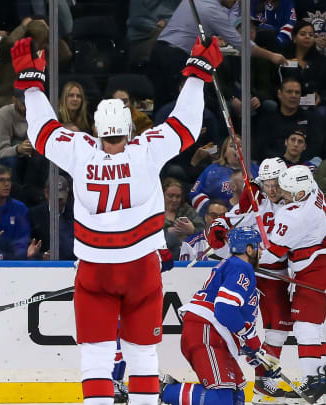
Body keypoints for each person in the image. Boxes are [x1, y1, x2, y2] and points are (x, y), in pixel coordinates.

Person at [12, 33, 222, 403]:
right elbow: (186, 125)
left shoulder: (80, 151)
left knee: (96, 356)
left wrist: (31, 86)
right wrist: (197, 73)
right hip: (140, 268)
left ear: (95, 128)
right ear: (130, 128)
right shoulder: (146, 149)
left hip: (95, 269)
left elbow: (42, 132)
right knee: (142, 354)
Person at [257, 165, 326, 404]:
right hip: (323, 266)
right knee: (313, 329)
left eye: (286, 191)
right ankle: (322, 386)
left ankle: (311, 381)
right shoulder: (311, 186)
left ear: (298, 194)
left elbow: (272, 254)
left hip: (315, 270)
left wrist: (245, 255)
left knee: (304, 327)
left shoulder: (294, 216)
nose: (281, 193)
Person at [207, 157, 291, 403]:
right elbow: (229, 219)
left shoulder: (296, 201)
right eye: (266, 183)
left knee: (279, 330)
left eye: (275, 182)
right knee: (242, 326)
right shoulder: (255, 199)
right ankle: (234, 378)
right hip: (256, 274)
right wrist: (218, 227)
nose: (271, 189)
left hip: (282, 274)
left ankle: (264, 384)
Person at [160, 227, 274, 405]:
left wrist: (260, 361)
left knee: (236, 398)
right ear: (250, 249)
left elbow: (238, 325)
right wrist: (250, 339)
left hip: (214, 334)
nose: (261, 251)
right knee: (220, 400)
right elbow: (225, 310)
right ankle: (163, 391)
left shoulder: (233, 267)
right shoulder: (241, 267)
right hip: (207, 331)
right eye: (258, 246)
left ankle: (169, 390)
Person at [152, 0, 285, 108]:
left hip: (159, 50)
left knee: (162, 104)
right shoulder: (213, 10)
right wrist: (272, 56)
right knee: (175, 106)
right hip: (175, 57)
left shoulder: (195, 2)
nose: (236, 3)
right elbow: (242, 43)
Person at [253, 77, 324, 162]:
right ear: (280, 94)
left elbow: (315, 146)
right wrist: (284, 160)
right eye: (289, 92)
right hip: (275, 165)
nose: (293, 95)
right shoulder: (267, 119)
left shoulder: (311, 118)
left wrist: (296, 160)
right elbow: (262, 148)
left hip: (303, 164)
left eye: (297, 92)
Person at [190, 136, 259, 216]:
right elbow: (194, 194)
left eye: (241, 145)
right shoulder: (212, 170)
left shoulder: (256, 170)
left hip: (250, 216)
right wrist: (212, 211)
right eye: (232, 146)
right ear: (225, 153)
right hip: (220, 217)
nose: (237, 149)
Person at [278, 21, 326, 112]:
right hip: (287, 103)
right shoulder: (282, 58)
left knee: (322, 112)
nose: (307, 37)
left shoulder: (324, 62)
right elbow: (275, 84)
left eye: (311, 35)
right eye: (303, 34)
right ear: (294, 37)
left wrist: (321, 97)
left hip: (314, 105)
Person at [0, 164, 31, 259]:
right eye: (1, 180)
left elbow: (22, 241)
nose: (6, 184)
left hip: (14, 263)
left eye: (8, 180)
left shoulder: (20, 208)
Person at [27, 175, 75, 261]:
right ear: (46, 193)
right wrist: (41, 256)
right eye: (55, 198)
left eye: (60, 198)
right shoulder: (35, 214)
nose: (58, 202)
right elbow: (30, 246)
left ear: (67, 194)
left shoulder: (76, 214)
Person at [0, 89, 34, 163]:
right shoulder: (4, 114)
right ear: (14, 100)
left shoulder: (37, 113)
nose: (28, 107)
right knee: (11, 161)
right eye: (24, 104)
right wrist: (18, 149)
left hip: (26, 161)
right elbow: (0, 153)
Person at [163, 177, 204, 256]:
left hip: (186, 254)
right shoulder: (155, 212)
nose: (174, 200)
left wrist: (192, 230)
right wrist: (167, 233)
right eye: (170, 196)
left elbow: (203, 233)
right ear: (163, 195)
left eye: (178, 196)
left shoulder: (187, 210)